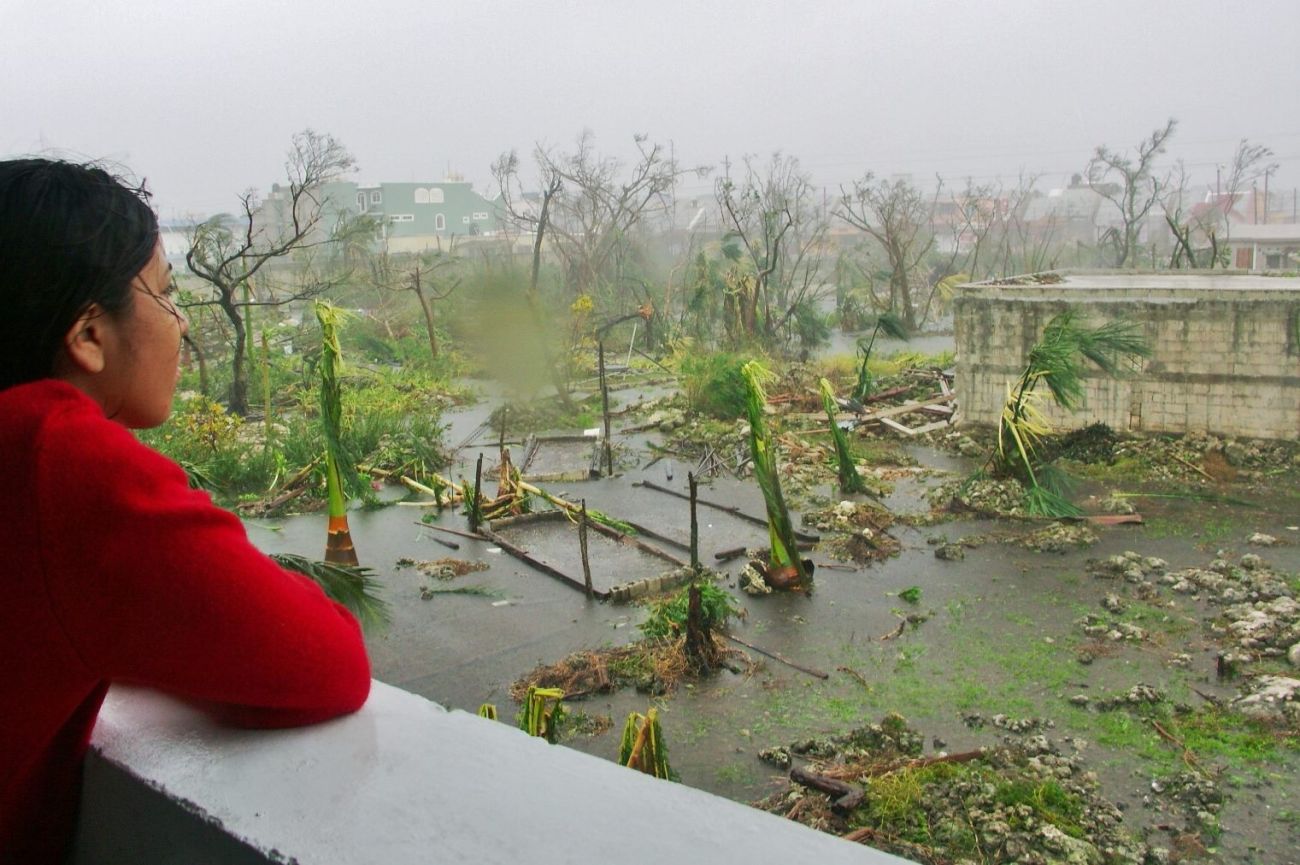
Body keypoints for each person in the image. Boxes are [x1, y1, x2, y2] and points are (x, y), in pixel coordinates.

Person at [0, 158, 372, 863]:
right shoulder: (55, 457)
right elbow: (328, 660)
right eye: (167, 295)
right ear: (88, 335)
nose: (181, 323)